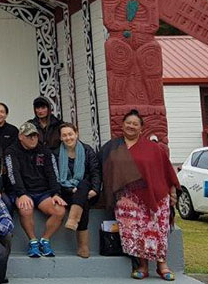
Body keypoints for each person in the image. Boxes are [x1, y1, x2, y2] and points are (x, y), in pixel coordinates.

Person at [100, 109, 180, 281]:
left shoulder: (154, 148)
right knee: (136, 232)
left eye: (135, 124)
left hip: (155, 197)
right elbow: (105, 170)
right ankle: (142, 266)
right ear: (122, 125)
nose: (131, 126)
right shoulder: (112, 147)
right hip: (127, 199)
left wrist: (172, 191)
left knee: (156, 231)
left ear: (141, 129)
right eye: (128, 123)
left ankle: (162, 265)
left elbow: (166, 171)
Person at [4, 121, 66, 258]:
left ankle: (45, 240)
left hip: (43, 192)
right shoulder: (11, 151)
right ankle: (33, 242)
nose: (33, 139)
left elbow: (53, 173)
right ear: (21, 137)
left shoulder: (45, 151)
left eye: (35, 136)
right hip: (22, 191)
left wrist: (56, 193)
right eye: (29, 136)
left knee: (59, 210)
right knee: (25, 208)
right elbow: (12, 173)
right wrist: (21, 193)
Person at [55, 122, 101, 259]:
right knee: (82, 202)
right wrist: (69, 189)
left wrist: (95, 189)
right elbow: (54, 176)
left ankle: (73, 219)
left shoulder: (87, 150)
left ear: (76, 134)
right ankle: (83, 246)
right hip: (65, 192)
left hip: (87, 191)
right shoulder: (56, 153)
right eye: (64, 135)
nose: (68, 137)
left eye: (70, 134)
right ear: (60, 138)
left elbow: (95, 172)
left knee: (83, 185)